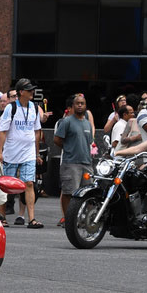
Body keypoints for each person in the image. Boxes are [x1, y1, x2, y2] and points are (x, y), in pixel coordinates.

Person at [0, 77, 43, 227]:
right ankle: (2, 216)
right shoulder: (11, 108)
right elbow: (2, 131)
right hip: (11, 152)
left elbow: (37, 131)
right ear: (21, 92)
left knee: (29, 183)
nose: (32, 92)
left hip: (28, 152)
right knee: (6, 186)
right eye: (29, 90)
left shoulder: (34, 108)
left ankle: (32, 219)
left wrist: (36, 153)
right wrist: (0, 153)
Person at [55, 93, 94, 226]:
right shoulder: (66, 121)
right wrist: (69, 148)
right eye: (77, 103)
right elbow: (57, 139)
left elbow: (89, 142)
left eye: (82, 103)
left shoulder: (88, 123)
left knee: (88, 193)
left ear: (85, 106)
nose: (79, 105)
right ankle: (68, 220)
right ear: (72, 106)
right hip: (70, 163)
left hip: (87, 163)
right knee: (69, 193)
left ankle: (85, 219)